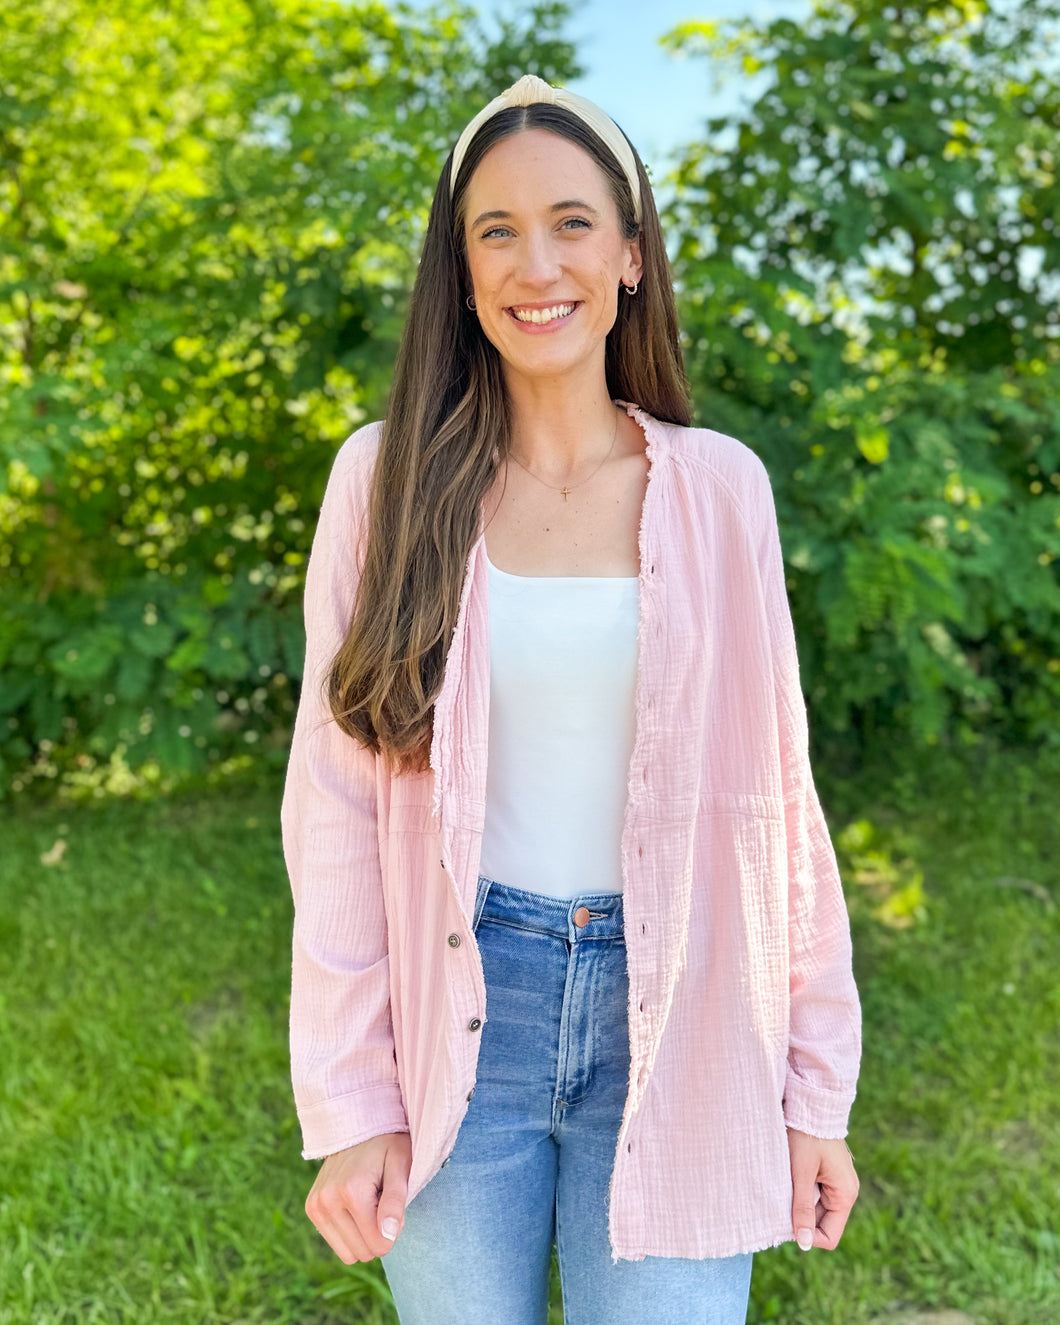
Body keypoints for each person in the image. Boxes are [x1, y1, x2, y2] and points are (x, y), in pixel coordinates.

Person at [280, 74, 862, 1325]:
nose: (534, 262)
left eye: (571, 222)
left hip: (685, 1013)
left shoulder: (719, 490)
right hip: (462, 1014)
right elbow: (333, 805)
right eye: (495, 230)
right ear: (461, 269)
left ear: (632, 256)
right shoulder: (384, 482)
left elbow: (776, 804)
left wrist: (815, 1091)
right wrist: (351, 1100)